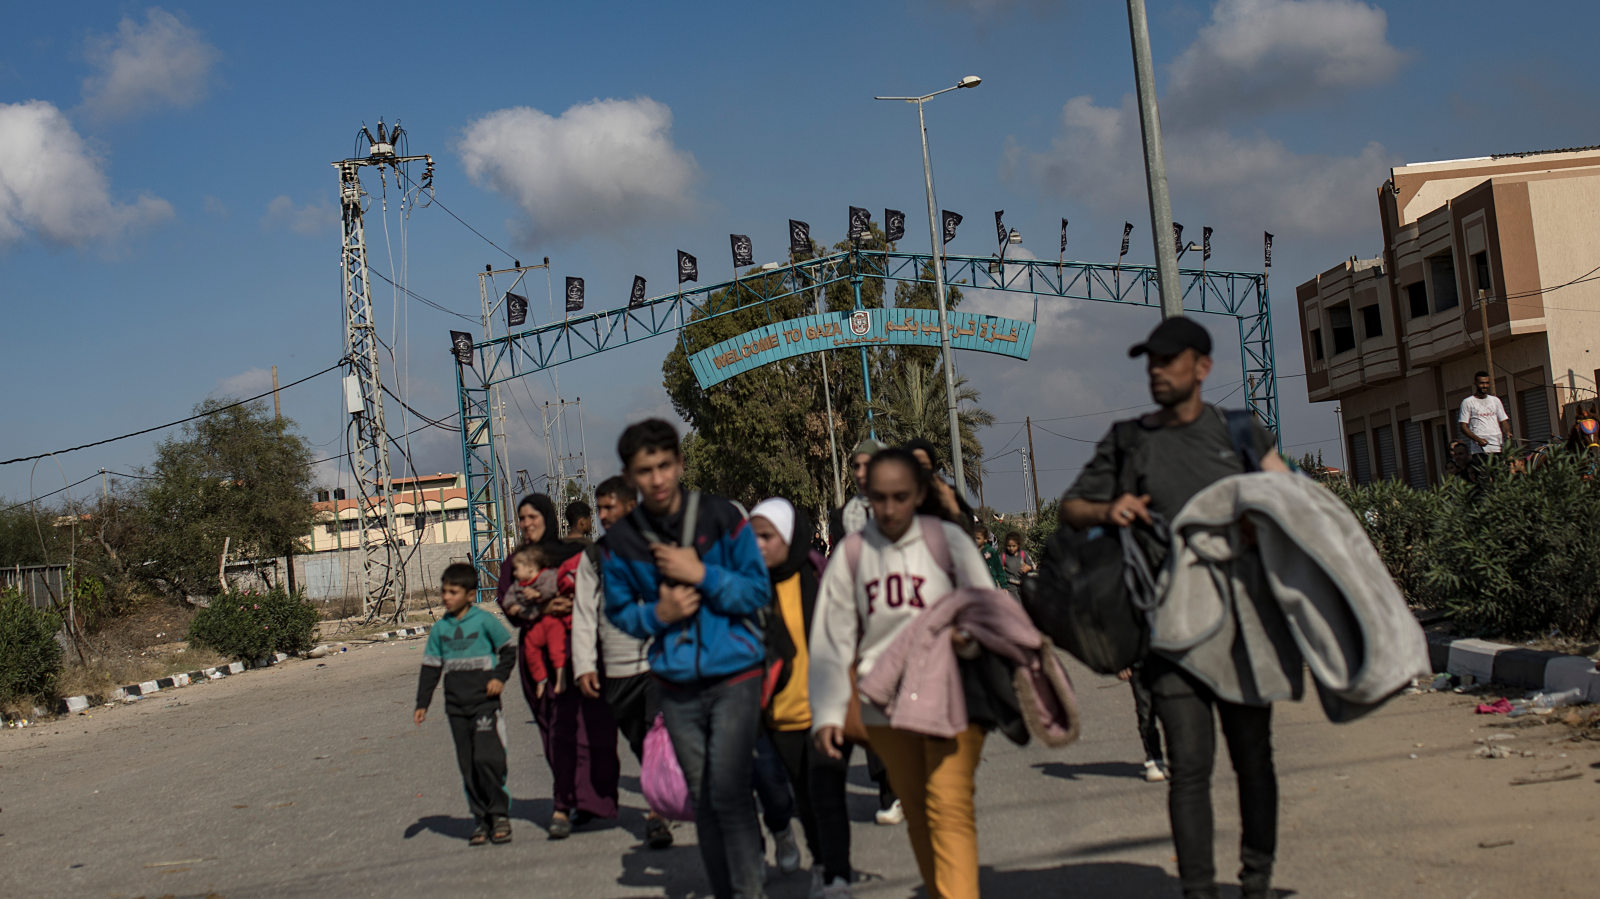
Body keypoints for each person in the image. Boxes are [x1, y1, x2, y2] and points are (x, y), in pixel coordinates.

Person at [1061, 316, 1289, 899]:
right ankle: (1198, 891)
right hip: (1168, 633)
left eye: (1169, 361)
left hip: (1241, 628)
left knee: (1253, 762)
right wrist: (1108, 510)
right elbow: (1074, 507)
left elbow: (1289, 503)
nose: (1157, 372)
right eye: (1151, 363)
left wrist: (1267, 518)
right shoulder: (1129, 440)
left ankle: (1256, 881)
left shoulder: (1241, 433)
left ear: (1202, 368)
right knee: (1189, 769)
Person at [810, 448, 997, 899]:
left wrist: (965, 638)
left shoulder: (946, 543)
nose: (890, 508)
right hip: (883, 705)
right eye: (880, 497)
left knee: (950, 808)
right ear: (866, 497)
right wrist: (829, 712)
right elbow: (831, 639)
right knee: (917, 810)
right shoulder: (853, 554)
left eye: (901, 496)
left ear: (918, 494)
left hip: (951, 695)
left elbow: (987, 608)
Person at [602, 419, 773, 899]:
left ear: (678, 463)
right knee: (702, 799)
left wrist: (703, 574)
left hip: (736, 673)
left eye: (663, 465)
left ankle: (750, 892)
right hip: (675, 684)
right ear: (630, 475)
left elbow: (757, 589)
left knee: (729, 790)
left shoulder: (721, 518)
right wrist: (658, 614)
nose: (657, 478)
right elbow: (619, 613)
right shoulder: (622, 544)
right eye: (645, 470)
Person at [750, 497, 854, 899]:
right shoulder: (750, 588)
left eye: (766, 536)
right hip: (780, 717)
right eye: (752, 536)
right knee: (806, 803)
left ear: (790, 535)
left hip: (827, 711)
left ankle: (837, 877)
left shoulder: (819, 573)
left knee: (827, 797)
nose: (757, 544)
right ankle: (822, 862)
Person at [498, 493, 620, 839]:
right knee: (555, 732)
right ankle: (563, 803)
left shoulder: (570, 553)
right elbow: (509, 604)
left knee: (591, 729)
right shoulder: (516, 560)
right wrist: (543, 607)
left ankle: (587, 799)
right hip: (537, 661)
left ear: (547, 518)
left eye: (532, 517)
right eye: (521, 518)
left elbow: (593, 591)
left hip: (577, 653)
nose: (526, 524)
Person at [572, 476, 674, 849]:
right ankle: (666, 791)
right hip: (615, 669)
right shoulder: (594, 557)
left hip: (657, 663)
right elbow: (583, 615)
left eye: (610, 507)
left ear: (632, 507)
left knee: (655, 733)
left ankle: (657, 813)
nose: (602, 516)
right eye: (599, 509)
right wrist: (584, 665)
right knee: (638, 740)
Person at [414, 563, 518, 847]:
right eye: (444, 591)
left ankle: (499, 815)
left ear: (470, 595)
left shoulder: (484, 622)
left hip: (485, 704)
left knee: (488, 759)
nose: (447, 597)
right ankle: (480, 820)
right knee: (468, 765)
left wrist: (498, 678)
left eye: (453, 591)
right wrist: (422, 703)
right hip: (456, 709)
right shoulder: (440, 630)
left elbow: (508, 651)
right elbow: (431, 668)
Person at [904, 437, 977, 538]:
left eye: (924, 465)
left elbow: (967, 537)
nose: (920, 470)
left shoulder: (947, 493)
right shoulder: (898, 498)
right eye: (914, 464)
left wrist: (952, 507)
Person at [828, 438, 884, 545]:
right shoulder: (842, 517)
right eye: (856, 466)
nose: (860, 474)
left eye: (867, 465)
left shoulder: (903, 508)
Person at [1119, 665, 1166, 782]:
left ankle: (1181, 759)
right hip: (1137, 661)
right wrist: (1120, 662)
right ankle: (1155, 760)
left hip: (1169, 658)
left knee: (1174, 712)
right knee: (1145, 713)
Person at [1459, 371, 1511, 474]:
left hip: (1497, 447)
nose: (1485, 386)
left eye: (1487, 383)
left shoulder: (1495, 400)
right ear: (1475, 383)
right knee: (1484, 478)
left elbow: (1503, 421)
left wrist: (1507, 433)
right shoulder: (1468, 402)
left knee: (1499, 477)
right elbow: (1463, 427)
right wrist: (1477, 439)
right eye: (1482, 383)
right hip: (1480, 450)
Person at [998, 532, 1033, 601]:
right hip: (1010, 586)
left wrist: (1029, 568)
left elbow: (1031, 566)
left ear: (1018, 545)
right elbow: (999, 571)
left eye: (1014, 546)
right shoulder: (1003, 556)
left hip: (1023, 585)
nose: (1011, 548)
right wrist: (1003, 585)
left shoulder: (1023, 554)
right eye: (1009, 546)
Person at [974, 524, 1006, 589]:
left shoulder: (991, 552)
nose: (976, 540)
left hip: (990, 584)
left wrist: (1003, 585)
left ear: (985, 539)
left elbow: (999, 569)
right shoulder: (971, 552)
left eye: (978, 538)